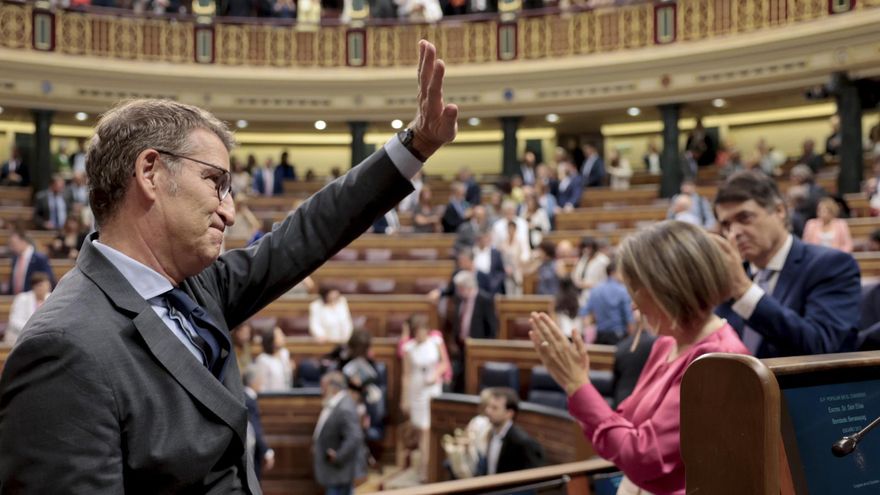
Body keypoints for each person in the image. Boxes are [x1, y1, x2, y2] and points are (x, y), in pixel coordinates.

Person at [0, 40, 457, 492]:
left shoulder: (197, 286)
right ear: (151, 173)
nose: (230, 211)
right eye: (215, 182)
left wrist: (414, 146)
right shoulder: (63, 350)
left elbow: (309, 232)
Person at [529, 220, 749, 495]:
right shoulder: (666, 343)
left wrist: (577, 386)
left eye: (636, 289)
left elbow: (643, 457)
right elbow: (624, 429)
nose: (633, 304)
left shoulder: (719, 359)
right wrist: (578, 381)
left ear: (667, 287)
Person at [714, 171, 861, 358]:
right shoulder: (734, 275)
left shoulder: (831, 265)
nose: (734, 233)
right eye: (726, 225)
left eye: (745, 218)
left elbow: (822, 347)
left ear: (779, 211)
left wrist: (745, 291)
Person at [401, 314, 451, 481]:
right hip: (417, 388)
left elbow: (444, 363)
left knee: (429, 428)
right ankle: (424, 467)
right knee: (421, 428)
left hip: (433, 388)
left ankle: (429, 467)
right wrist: (405, 399)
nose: (420, 334)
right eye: (417, 331)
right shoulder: (409, 348)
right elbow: (406, 375)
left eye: (422, 331)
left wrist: (436, 374)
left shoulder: (436, 342)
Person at [313, 371, 365, 495]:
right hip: (336, 473)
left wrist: (338, 456)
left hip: (340, 471)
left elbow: (355, 437)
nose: (322, 391)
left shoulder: (344, 407)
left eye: (324, 387)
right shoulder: (337, 403)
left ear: (333, 387)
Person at [480, 387, 545, 475]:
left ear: (509, 413)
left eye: (494, 408)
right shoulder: (491, 433)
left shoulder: (522, 442)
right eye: (489, 406)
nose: (488, 411)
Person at [580, 256, 634, 346]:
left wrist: (588, 330)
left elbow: (584, 312)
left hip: (600, 335)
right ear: (614, 272)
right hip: (618, 335)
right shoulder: (622, 291)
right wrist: (632, 340)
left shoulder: (595, 290)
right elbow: (629, 318)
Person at [242, 365, 275, 480]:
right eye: (261, 379)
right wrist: (267, 451)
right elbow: (255, 428)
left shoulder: (246, 397)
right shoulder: (248, 400)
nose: (263, 382)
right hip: (251, 453)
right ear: (254, 381)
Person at [4, 272, 52, 346]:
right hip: (20, 335)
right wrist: (32, 330)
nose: (44, 288)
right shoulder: (22, 298)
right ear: (34, 286)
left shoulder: (51, 298)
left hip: (43, 336)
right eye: (41, 285)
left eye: (47, 285)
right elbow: (14, 320)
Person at [6, 229, 55, 295]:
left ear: (23, 241)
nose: (12, 247)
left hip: (33, 300)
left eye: (14, 243)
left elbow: (48, 279)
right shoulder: (15, 259)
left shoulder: (39, 259)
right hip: (16, 300)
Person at [254, 323, 294, 391]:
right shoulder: (262, 359)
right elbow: (261, 386)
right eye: (280, 335)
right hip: (271, 397)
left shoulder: (285, 353)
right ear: (271, 340)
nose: (283, 337)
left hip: (287, 395)